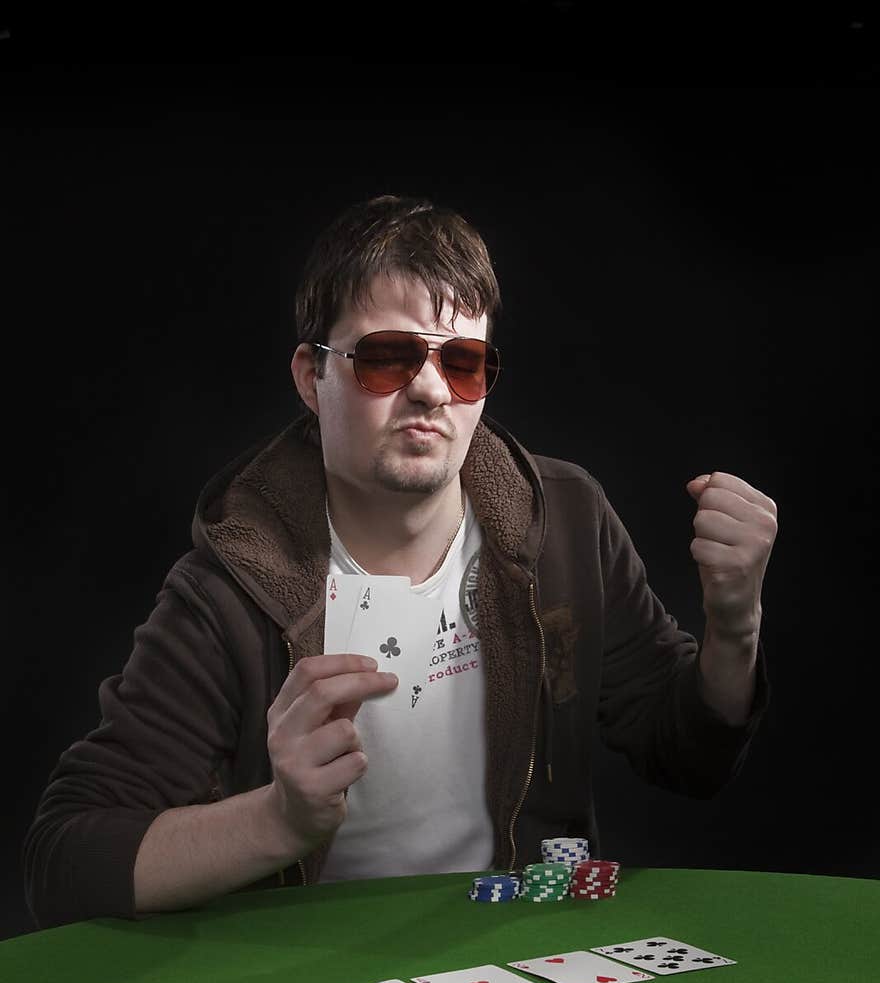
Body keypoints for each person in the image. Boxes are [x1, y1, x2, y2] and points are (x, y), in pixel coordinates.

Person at [22, 194, 777, 931]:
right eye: (386, 359)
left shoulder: (567, 521)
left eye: (463, 363)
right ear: (309, 377)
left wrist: (735, 627)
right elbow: (66, 862)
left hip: (517, 963)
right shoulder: (231, 585)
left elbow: (688, 758)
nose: (428, 389)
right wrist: (279, 820)